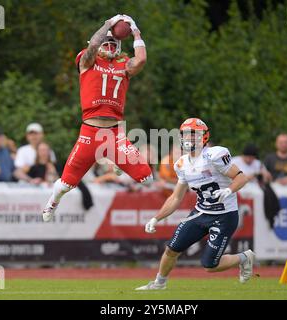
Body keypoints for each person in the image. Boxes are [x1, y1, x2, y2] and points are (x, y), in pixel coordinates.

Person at [42, 14, 152, 222]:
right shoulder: (88, 60)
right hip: (90, 133)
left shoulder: (124, 65)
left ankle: (116, 159)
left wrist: (136, 31)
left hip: (114, 134)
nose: (109, 46)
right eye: (106, 42)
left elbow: (142, 59)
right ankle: (53, 202)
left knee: (147, 179)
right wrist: (108, 25)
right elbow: (93, 44)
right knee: (66, 184)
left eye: (113, 42)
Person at [135, 118, 254, 291]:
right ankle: (159, 284)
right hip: (201, 213)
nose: (189, 139)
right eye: (185, 135)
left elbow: (241, 177)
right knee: (172, 248)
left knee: (209, 265)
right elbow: (176, 197)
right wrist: (156, 218)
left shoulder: (215, 155)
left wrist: (228, 190)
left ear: (204, 137)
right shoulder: (181, 164)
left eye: (193, 135)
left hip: (224, 216)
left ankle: (245, 257)